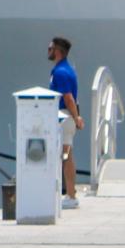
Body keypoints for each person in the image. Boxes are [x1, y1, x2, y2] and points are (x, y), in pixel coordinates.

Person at [48, 36, 83, 208]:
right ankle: (70, 193)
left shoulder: (60, 72)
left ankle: (70, 195)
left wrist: (76, 118)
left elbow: (68, 97)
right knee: (66, 155)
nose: (48, 51)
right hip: (66, 116)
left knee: (66, 155)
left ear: (58, 51)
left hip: (63, 116)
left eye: (51, 48)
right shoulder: (67, 69)